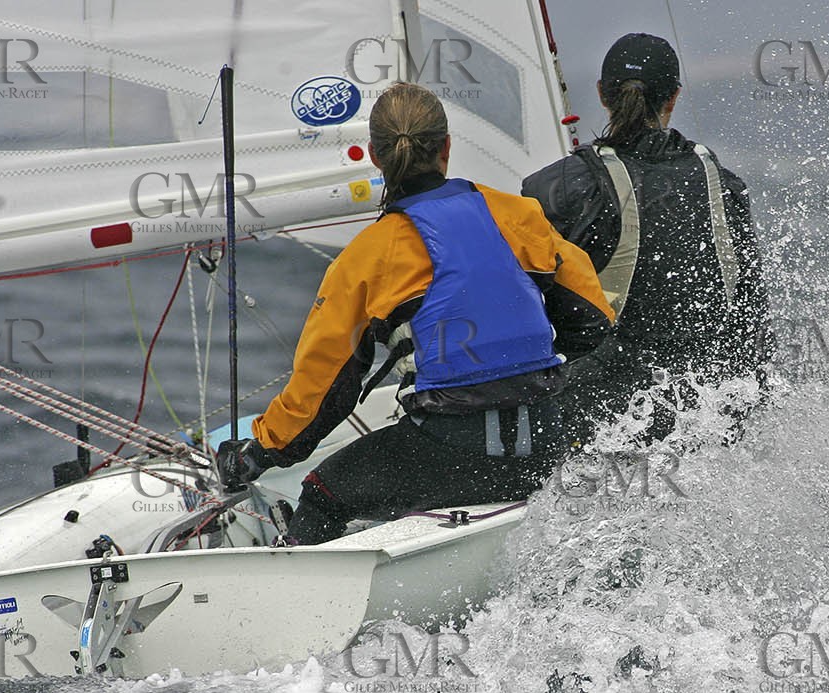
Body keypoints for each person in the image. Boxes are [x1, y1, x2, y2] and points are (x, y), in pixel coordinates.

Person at [216, 83, 616, 544]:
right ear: (446, 147)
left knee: (324, 493)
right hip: (547, 445)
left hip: (448, 454)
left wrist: (258, 452)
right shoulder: (520, 216)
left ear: (375, 156)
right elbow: (592, 323)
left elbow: (321, 396)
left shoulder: (365, 258)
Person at [522, 32, 769, 447]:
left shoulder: (554, 189)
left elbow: (523, 313)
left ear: (602, 95)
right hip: (713, 413)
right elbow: (752, 317)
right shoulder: (725, 187)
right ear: (673, 97)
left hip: (607, 419)